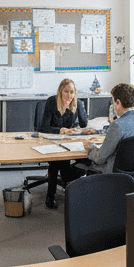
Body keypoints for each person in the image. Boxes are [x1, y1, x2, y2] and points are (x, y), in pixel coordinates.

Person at [38, 78, 87, 207]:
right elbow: (43, 128)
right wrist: (60, 130)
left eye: (72, 92)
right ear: (60, 91)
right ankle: (55, 193)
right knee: (57, 162)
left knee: (63, 162)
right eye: (66, 92)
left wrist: (79, 105)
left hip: (68, 142)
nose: (69, 95)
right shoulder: (52, 102)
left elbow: (84, 124)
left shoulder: (75, 103)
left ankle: (57, 191)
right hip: (51, 140)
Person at [86, 83, 134, 174]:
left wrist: (89, 147)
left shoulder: (117, 125)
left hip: (114, 176)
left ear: (118, 103)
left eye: (113, 102)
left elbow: (100, 158)